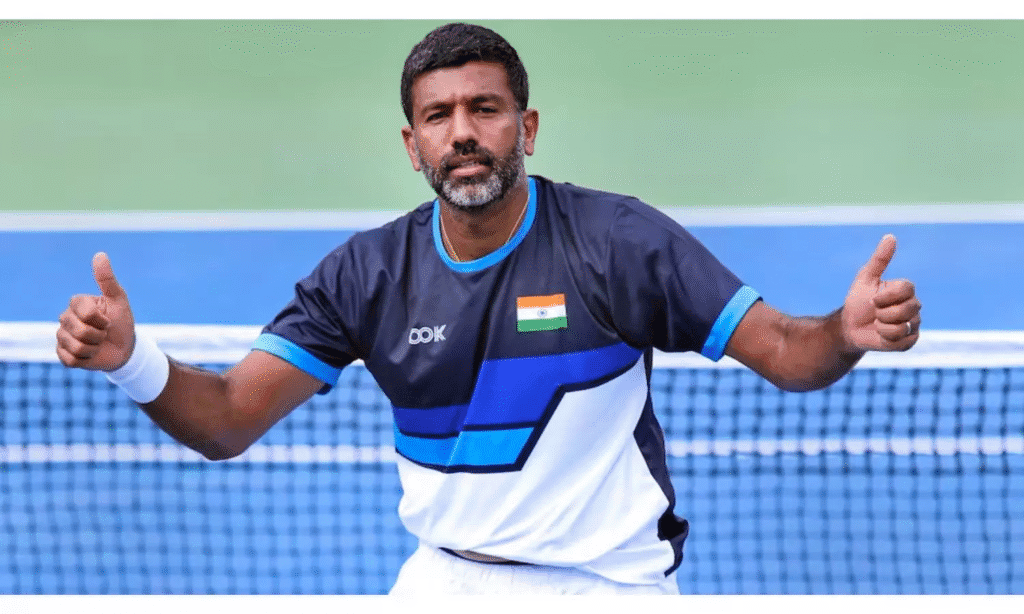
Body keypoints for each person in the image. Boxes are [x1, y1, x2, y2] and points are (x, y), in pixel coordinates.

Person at [55, 23, 922, 595]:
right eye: (438, 116)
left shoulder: (617, 243)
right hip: (444, 581)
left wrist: (843, 333)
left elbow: (786, 352)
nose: (462, 132)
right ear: (413, 145)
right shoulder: (366, 275)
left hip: (606, 586)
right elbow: (226, 421)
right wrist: (130, 361)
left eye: (485, 109)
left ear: (526, 128)